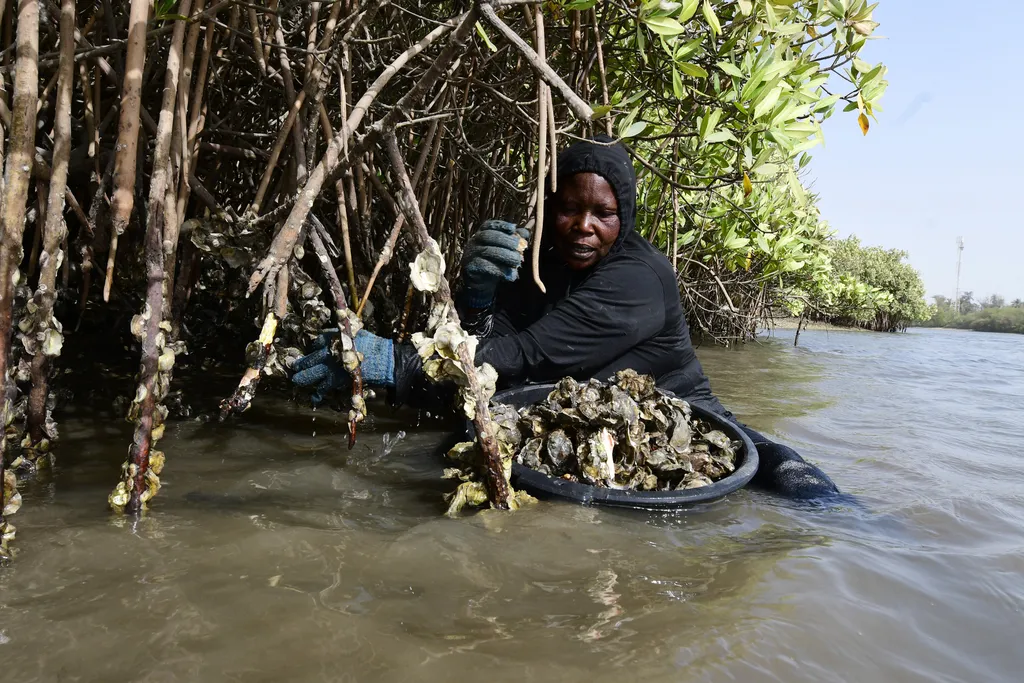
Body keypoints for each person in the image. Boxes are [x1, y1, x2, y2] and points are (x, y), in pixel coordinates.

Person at [292, 136, 838, 500]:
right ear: (549, 209)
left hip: (679, 420)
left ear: (623, 219)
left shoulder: (639, 279)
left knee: (791, 480)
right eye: (568, 209)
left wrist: (398, 363)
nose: (582, 226)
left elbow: (528, 356)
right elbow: (488, 355)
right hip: (561, 416)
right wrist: (478, 296)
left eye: (603, 214)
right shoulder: (536, 265)